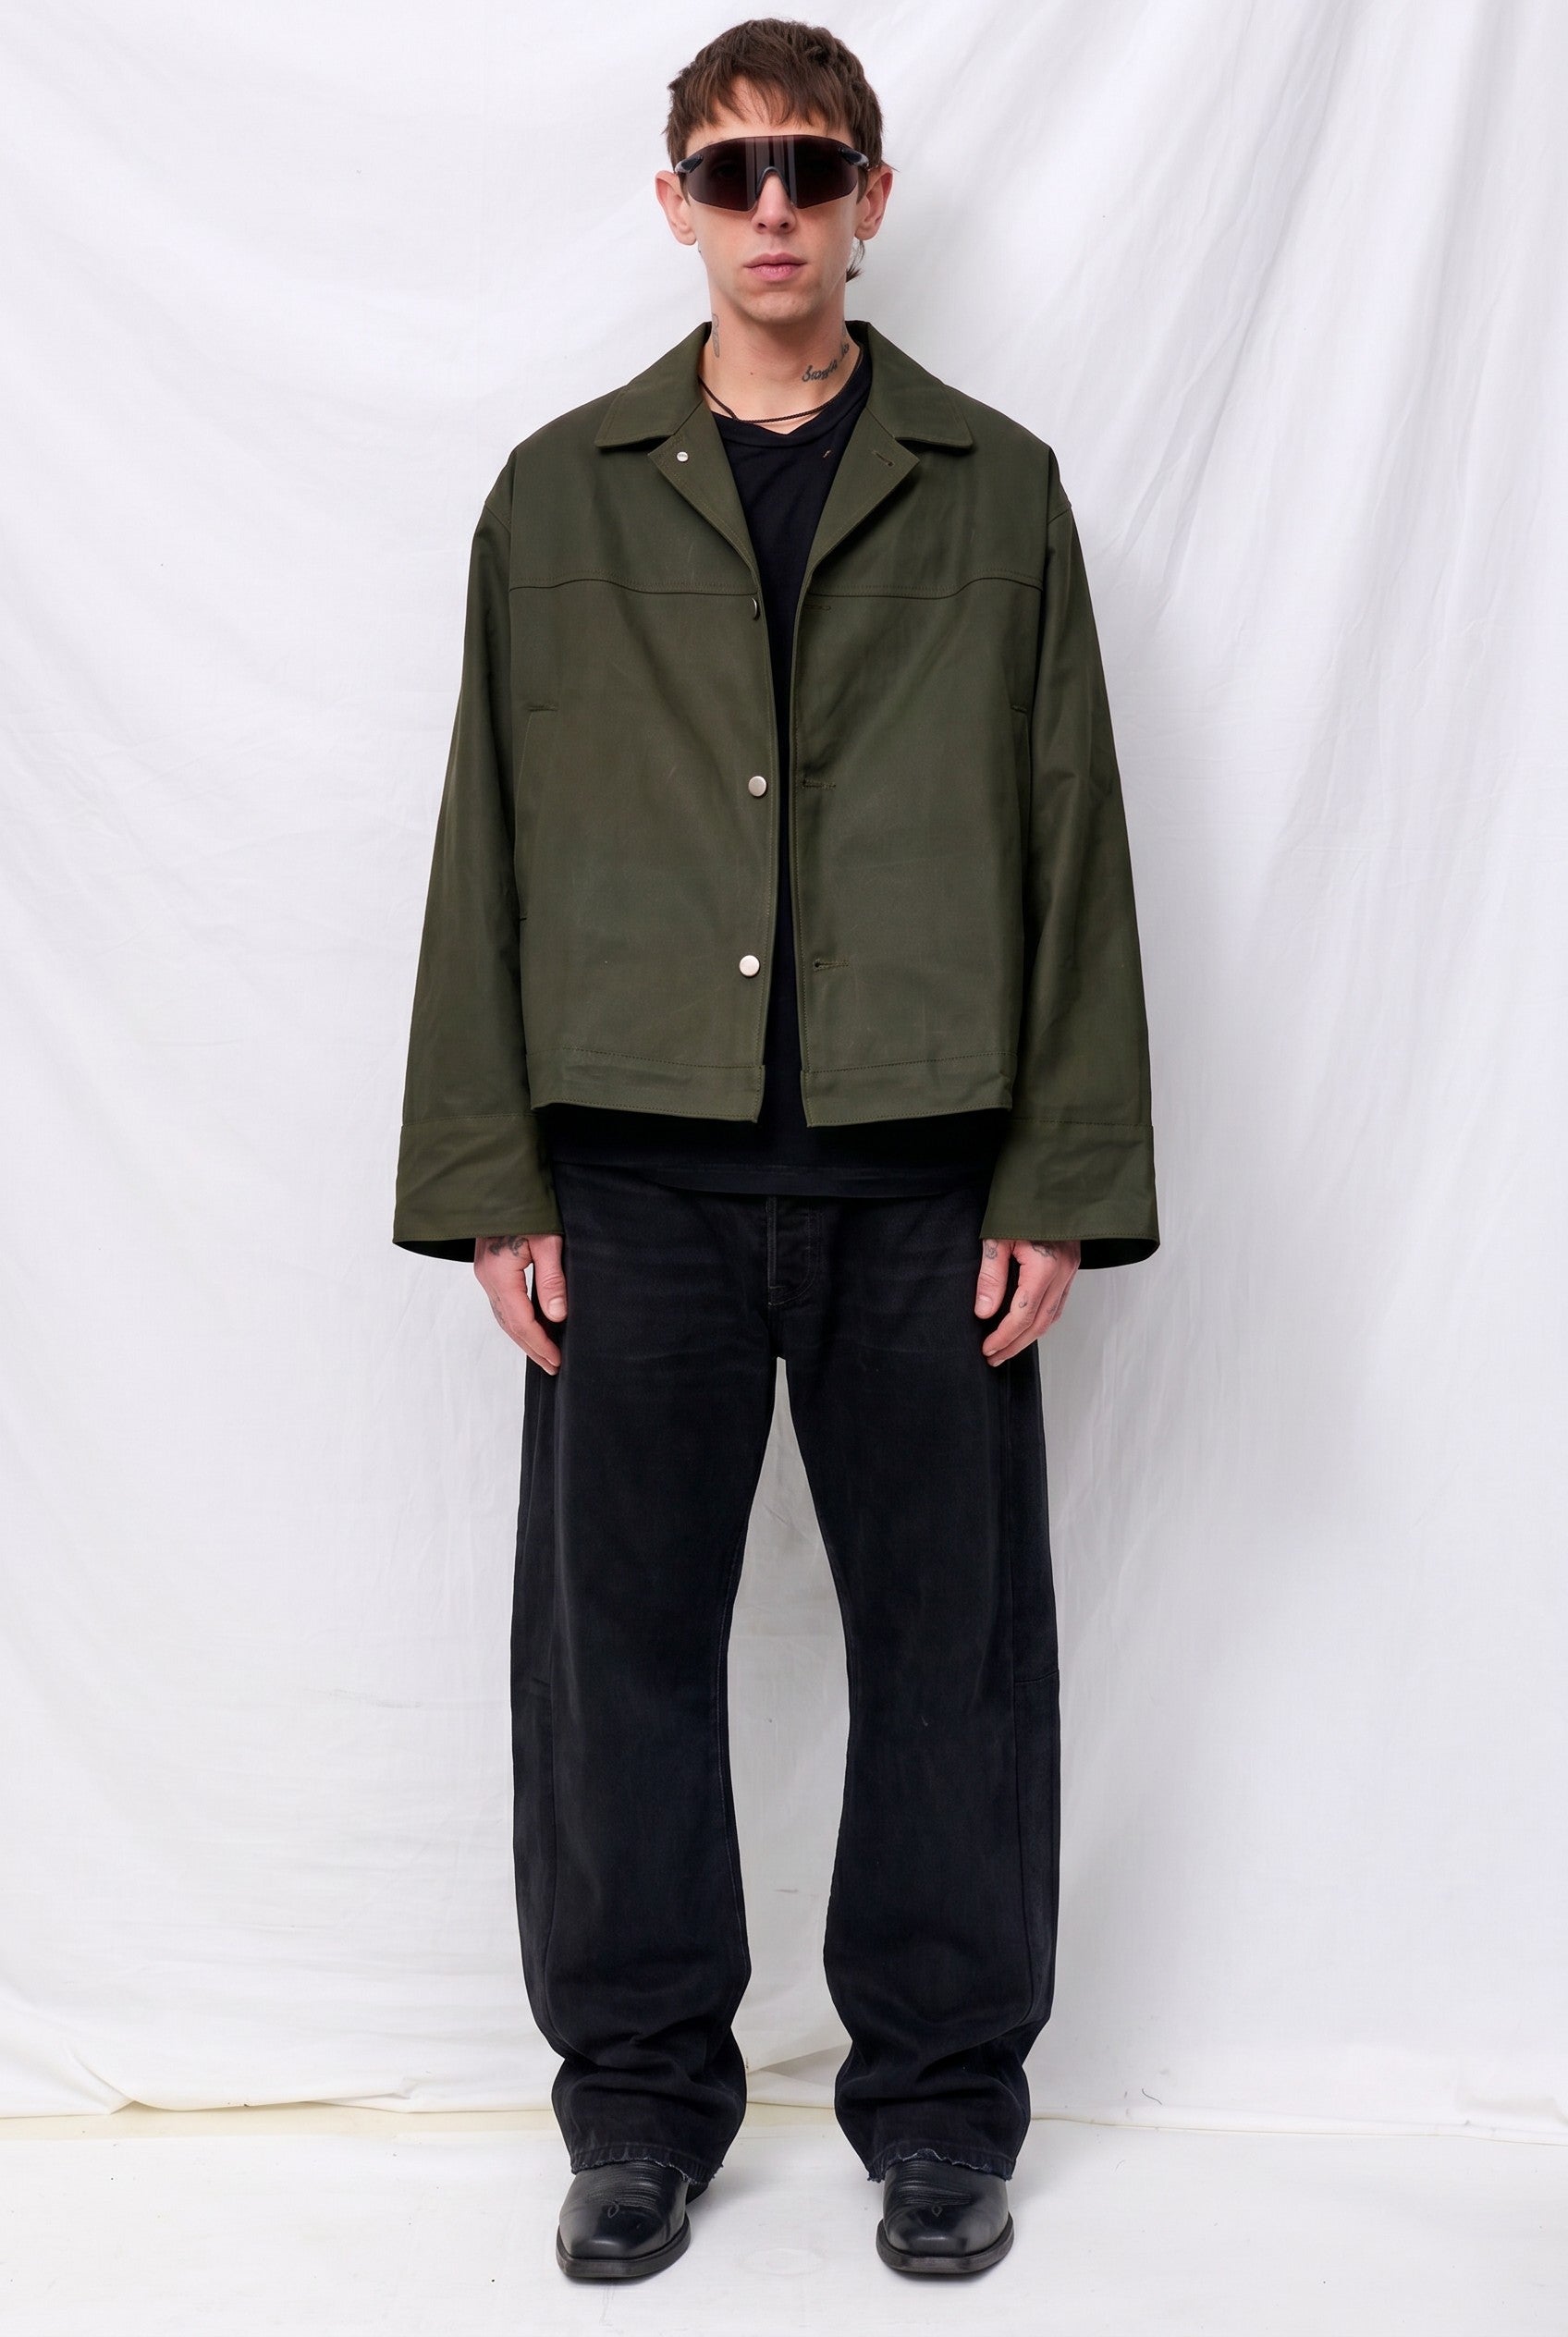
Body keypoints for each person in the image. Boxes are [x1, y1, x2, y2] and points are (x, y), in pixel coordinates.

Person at [392, 16, 1158, 2284]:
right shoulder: (558, 496)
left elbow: (1072, 838)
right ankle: (636, 2106)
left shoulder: (993, 490)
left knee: (953, 1657)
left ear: (868, 198)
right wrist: (490, 1172)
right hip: (630, 1178)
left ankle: (941, 2110)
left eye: (809, 168)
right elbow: (484, 839)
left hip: (923, 1177)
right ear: (673, 204)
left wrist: (1054, 1175)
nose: (771, 209)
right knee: (613, 1659)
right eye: (730, 172)